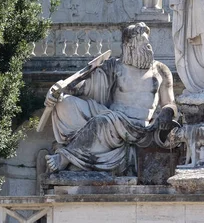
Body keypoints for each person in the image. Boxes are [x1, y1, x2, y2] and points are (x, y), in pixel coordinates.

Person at [44, 22, 176, 172]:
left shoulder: (160, 70)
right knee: (65, 103)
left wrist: (168, 111)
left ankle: (64, 158)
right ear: (129, 46)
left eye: (148, 41)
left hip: (138, 125)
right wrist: (57, 93)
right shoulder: (114, 66)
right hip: (113, 115)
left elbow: (170, 103)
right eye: (142, 41)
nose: (148, 46)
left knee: (101, 122)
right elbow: (82, 87)